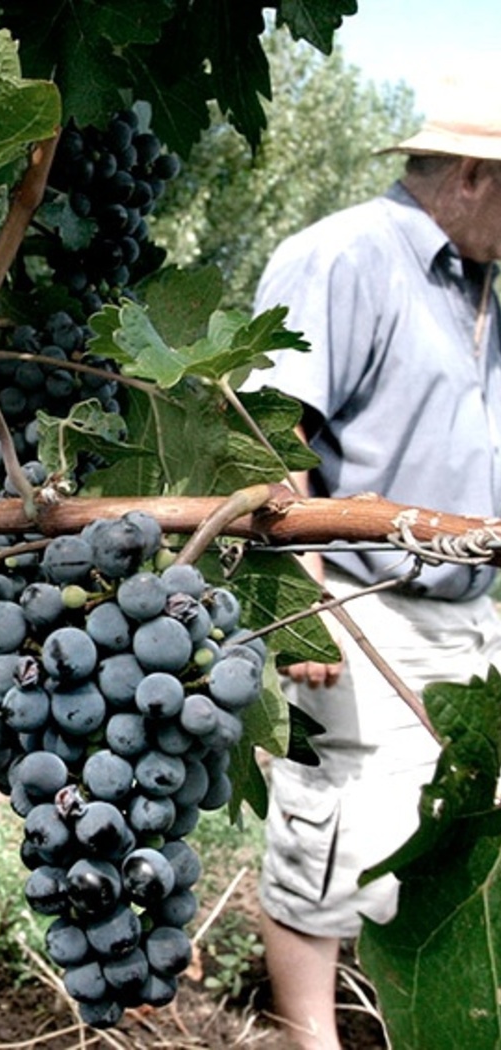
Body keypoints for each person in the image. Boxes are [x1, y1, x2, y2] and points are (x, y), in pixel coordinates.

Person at [246, 100, 501, 1050]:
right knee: (335, 824)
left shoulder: (478, 287)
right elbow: (268, 433)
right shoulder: (347, 256)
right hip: (359, 598)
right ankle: (312, 1037)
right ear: (471, 178)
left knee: (434, 830)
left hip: (467, 614)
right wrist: (301, 598)